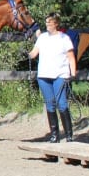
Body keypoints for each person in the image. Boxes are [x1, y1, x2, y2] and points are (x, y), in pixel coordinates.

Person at [28, 12, 77, 142]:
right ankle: (54, 135)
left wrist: (72, 73)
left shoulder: (64, 38)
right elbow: (34, 53)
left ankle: (68, 135)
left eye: (50, 22)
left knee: (62, 104)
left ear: (56, 23)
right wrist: (27, 54)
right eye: (46, 22)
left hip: (60, 75)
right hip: (44, 76)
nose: (47, 24)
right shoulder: (42, 38)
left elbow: (71, 57)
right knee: (50, 105)